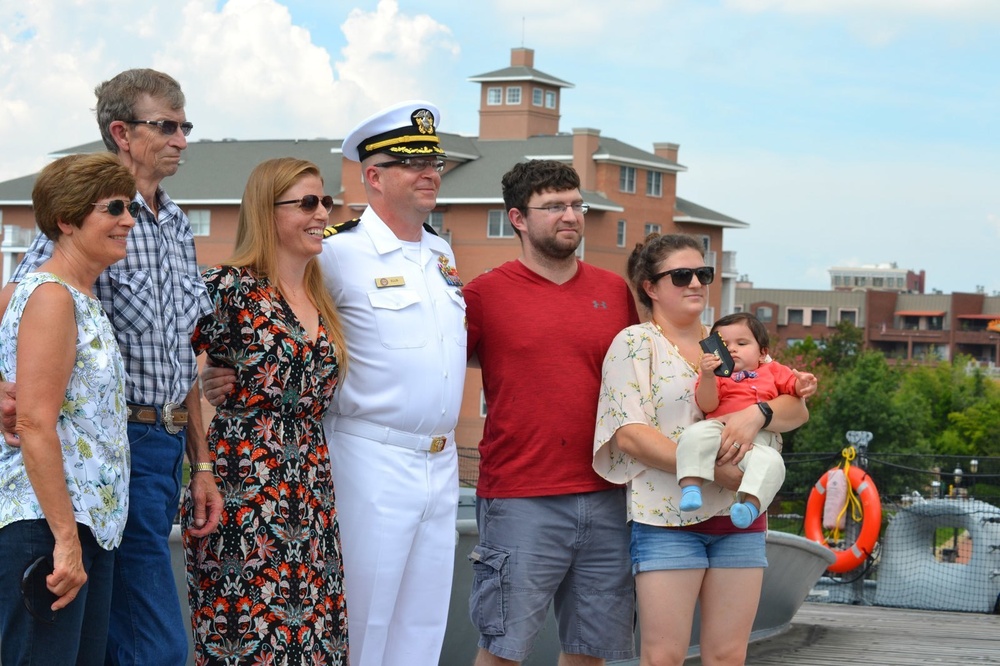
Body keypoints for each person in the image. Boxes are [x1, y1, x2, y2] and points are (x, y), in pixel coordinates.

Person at [202, 100, 466, 666]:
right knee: (360, 621)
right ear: (374, 176)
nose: (431, 174)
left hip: (441, 464)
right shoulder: (338, 252)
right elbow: (255, 313)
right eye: (413, 163)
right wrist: (214, 374)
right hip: (369, 456)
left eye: (436, 163)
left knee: (422, 624)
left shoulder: (442, 253)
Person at [0, 68, 222, 666]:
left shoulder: (176, 226)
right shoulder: (81, 220)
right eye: (166, 126)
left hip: (158, 451)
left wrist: (200, 462)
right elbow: (21, 307)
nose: (181, 139)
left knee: (105, 643)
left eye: (185, 126)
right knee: (150, 645)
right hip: (91, 454)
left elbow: (183, 357)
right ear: (121, 131)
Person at [593, 233, 817, 666]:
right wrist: (717, 471)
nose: (695, 282)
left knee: (728, 655)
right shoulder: (635, 344)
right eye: (681, 275)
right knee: (663, 656)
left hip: (738, 521)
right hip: (667, 519)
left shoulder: (728, 341)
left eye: (703, 273)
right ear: (650, 287)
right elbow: (629, 434)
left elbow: (797, 409)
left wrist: (759, 415)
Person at [463, 159, 640, 666]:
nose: (571, 216)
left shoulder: (612, 291)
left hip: (608, 494)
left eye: (576, 205)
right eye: (555, 206)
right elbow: (430, 372)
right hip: (521, 497)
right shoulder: (482, 295)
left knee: (591, 651)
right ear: (518, 218)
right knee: (503, 650)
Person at [182, 158, 349, 664]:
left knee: (316, 639)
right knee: (248, 639)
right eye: (307, 203)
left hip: (313, 491)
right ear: (266, 210)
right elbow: (166, 364)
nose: (322, 213)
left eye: (325, 202)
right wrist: (202, 462)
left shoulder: (323, 296)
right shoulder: (228, 287)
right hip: (243, 489)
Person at [0, 153, 135, 665]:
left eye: (131, 209)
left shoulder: (81, 298)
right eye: (114, 208)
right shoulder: (52, 297)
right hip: (47, 526)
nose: (127, 220)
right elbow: (35, 422)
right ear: (67, 219)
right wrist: (64, 539)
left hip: (86, 527)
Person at [678, 312, 813, 528]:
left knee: (773, 463)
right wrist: (709, 375)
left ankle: (750, 506)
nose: (732, 349)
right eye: (725, 344)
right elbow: (707, 405)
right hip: (720, 431)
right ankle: (691, 486)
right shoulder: (718, 375)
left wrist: (803, 384)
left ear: (762, 353)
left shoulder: (773, 370)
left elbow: (793, 388)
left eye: (741, 343)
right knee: (694, 434)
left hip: (759, 441)